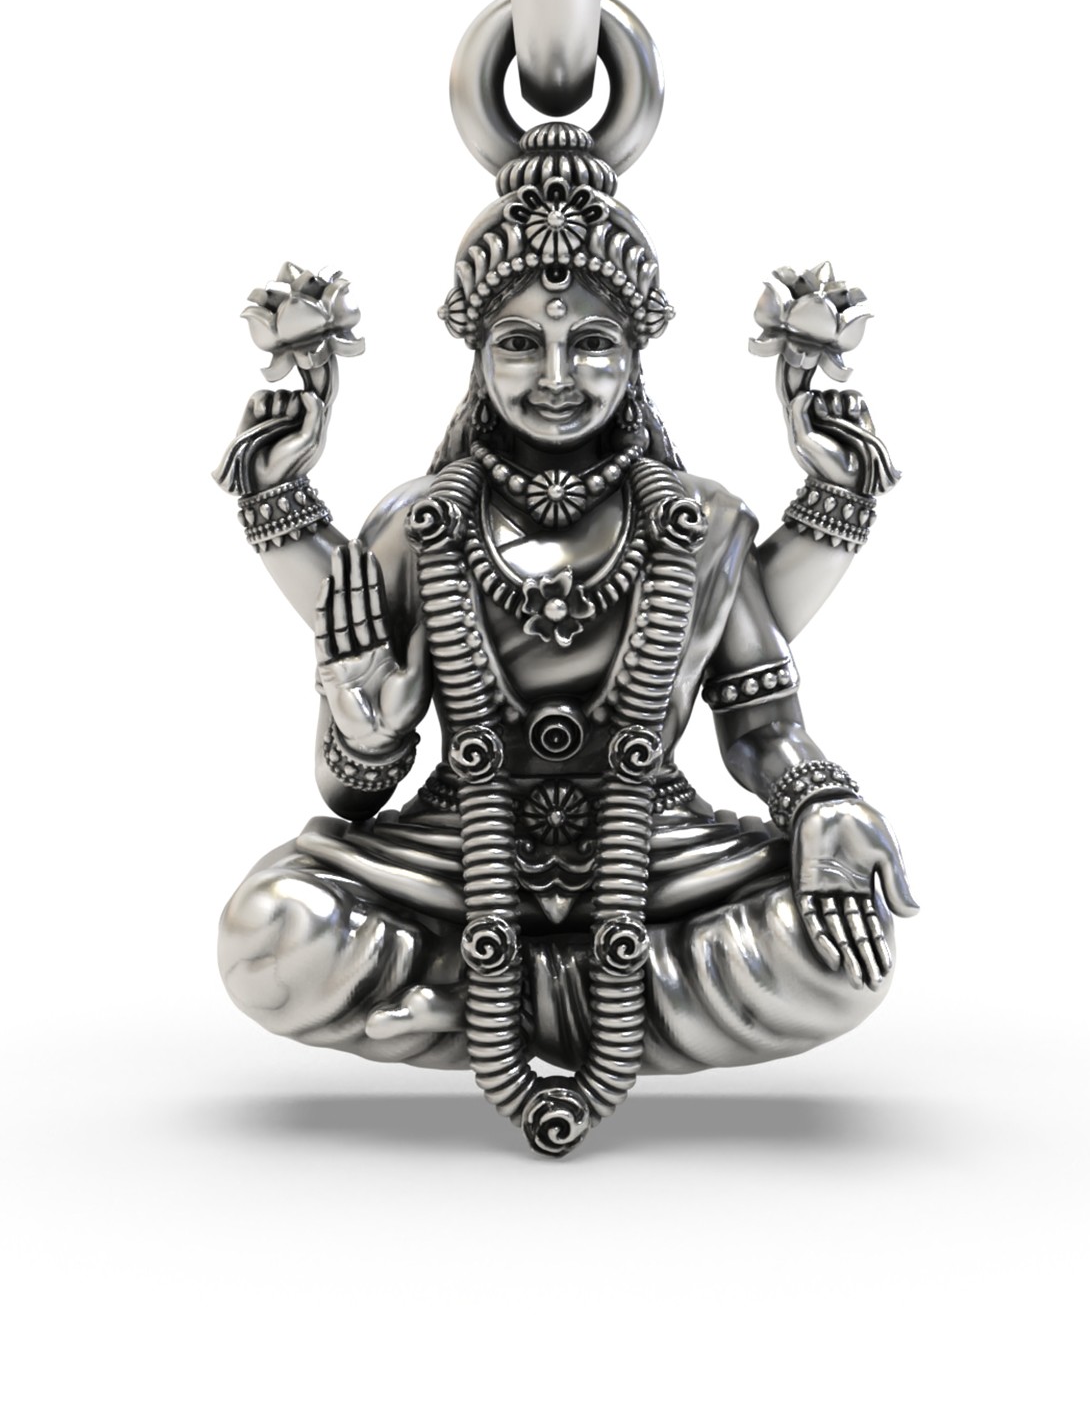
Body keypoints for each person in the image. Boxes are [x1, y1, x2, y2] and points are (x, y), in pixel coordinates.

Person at [214, 123, 916, 1155]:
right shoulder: (418, 523)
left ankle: (471, 1005)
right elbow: (352, 796)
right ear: (476, 357)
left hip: (656, 849)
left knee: (840, 950)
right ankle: (601, 1005)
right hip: (459, 849)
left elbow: (763, 725)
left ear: (633, 357)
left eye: (591, 343)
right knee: (269, 931)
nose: (556, 374)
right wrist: (366, 734)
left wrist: (825, 802)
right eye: (519, 343)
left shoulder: (705, 523)